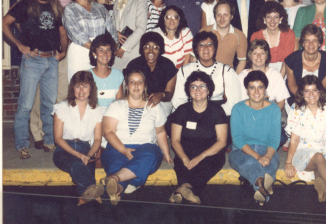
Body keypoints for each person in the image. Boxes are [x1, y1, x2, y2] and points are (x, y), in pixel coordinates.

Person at [2, 0, 68, 157]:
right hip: (33, 60)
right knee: (26, 105)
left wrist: (63, 52)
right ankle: (22, 144)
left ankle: (49, 141)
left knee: (49, 104)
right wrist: (20, 45)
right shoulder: (25, 5)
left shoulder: (56, 7)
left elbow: (63, 33)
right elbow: (4, 23)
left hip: (52, 60)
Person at [101, 70, 173, 204]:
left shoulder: (154, 107)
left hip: (145, 148)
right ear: (127, 86)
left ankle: (115, 181)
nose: (136, 85)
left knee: (151, 155)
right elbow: (108, 132)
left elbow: (160, 132)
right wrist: (123, 150)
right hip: (117, 147)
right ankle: (120, 188)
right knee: (118, 162)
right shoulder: (116, 105)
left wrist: (166, 153)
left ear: (144, 86)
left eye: (140, 82)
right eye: (132, 82)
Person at [29, 0, 71, 150]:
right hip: (42, 55)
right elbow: (16, 15)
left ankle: (54, 133)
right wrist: (30, 40)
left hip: (63, 53)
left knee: (59, 94)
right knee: (38, 94)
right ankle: (38, 133)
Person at [169, 71, 228, 204]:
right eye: (193, 86)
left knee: (204, 166)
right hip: (187, 149)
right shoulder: (182, 110)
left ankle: (182, 189)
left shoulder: (217, 111)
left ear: (209, 90)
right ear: (188, 90)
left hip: (210, 151)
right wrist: (184, 158)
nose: (198, 90)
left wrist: (202, 156)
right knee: (183, 165)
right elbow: (175, 140)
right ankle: (187, 190)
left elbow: (222, 141)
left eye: (202, 86)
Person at [284, 75, 326, 202]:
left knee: (320, 163)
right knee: (317, 157)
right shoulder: (297, 108)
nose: (311, 94)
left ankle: (322, 190)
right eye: (306, 91)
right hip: (302, 152)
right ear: (302, 93)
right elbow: (294, 139)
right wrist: (288, 163)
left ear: (320, 91)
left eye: (314, 90)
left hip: (323, 148)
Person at [52, 71, 104, 206]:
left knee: (83, 166)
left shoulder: (97, 110)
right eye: (77, 86)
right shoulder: (62, 107)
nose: (81, 91)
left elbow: (97, 139)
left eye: (85, 86)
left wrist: (89, 154)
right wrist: (79, 155)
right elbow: (58, 138)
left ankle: (84, 196)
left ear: (91, 88)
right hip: (64, 150)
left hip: (86, 149)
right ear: (72, 88)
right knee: (77, 164)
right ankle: (92, 190)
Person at [229, 70, 281, 206]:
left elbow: (274, 138)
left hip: (266, 149)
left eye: (260, 87)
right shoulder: (238, 109)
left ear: (265, 89)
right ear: (247, 90)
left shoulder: (274, 109)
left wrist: (268, 156)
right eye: (252, 87)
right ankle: (261, 184)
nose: (256, 91)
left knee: (272, 162)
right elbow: (237, 139)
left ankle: (260, 187)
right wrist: (258, 157)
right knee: (247, 162)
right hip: (243, 149)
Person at [171, 31, 241, 117]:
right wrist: (194, 113)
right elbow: (178, 100)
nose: (206, 48)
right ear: (196, 49)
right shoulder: (185, 70)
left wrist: (210, 114)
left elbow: (233, 103)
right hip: (190, 113)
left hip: (217, 113)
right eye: (201, 45)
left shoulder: (226, 71)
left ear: (215, 48)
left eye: (210, 44)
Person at [63, 0, 118, 81]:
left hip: (102, 51)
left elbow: (112, 30)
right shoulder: (69, 9)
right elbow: (75, 33)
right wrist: (97, 48)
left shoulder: (100, 8)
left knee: (100, 85)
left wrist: (113, 47)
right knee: (80, 86)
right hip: (80, 51)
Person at [123, 32, 178, 117]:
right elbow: (128, 91)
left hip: (162, 102)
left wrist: (161, 95)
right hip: (137, 100)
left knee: (157, 116)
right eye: (147, 47)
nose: (151, 51)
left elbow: (169, 95)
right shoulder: (134, 65)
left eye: (155, 47)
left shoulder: (168, 65)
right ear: (142, 49)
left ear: (160, 50)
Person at [285, 24, 326, 101]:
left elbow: (323, 87)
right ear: (302, 43)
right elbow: (292, 85)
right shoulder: (291, 60)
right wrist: (304, 99)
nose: (310, 44)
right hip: (296, 98)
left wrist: (312, 100)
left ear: (319, 43)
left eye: (314, 40)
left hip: (318, 98)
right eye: (307, 40)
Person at [112, 0, 148, 71]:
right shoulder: (118, 2)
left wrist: (123, 48)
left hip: (131, 52)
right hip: (117, 53)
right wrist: (115, 33)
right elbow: (115, 24)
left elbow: (141, 29)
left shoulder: (140, 1)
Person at [238, 40, 290, 111]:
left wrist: (270, 115)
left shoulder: (275, 74)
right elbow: (242, 103)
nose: (258, 56)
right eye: (255, 53)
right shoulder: (242, 76)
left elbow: (281, 102)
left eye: (262, 53)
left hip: (272, 111)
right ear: (250, 56)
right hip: (249, 112)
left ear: (266, 56)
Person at [250, 1, 298, 77]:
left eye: (276, 17)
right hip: (261, 71)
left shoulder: (289, 34)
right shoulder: (256, 36)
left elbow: (287, 62)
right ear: (264, 19)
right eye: (269, 17)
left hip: (285, 72)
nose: (272, 21)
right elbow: (255, 62)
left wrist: (279, 80)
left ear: (280, 19)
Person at [199, 1, 247, 74]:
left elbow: (242, 61)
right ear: (215, 16)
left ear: (231, 16)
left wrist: (234, 79)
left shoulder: (240, 36)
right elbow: (194, 58)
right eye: (219, 15)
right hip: (205, 76)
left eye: (225, 15)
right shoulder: (204, 32)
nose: (222, 18)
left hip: (226, 77)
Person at [89, 34, 123, 108]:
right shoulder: (87, 75)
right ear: (94, 53)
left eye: (108, 50)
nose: (105, 54)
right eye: (101, 50)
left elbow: (119, 105)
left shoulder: (118, 75)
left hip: (112, 117)